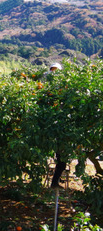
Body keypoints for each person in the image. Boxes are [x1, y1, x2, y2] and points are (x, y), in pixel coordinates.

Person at [44, 62, 66, 190]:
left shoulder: (63, 89)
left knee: (62, 160)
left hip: (60, 128)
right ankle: (54, 183)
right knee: (61, 160)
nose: (54, 73)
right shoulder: (49, 90)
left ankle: (57, 179)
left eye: (56, 71)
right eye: (52, 70)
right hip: (55, 129)